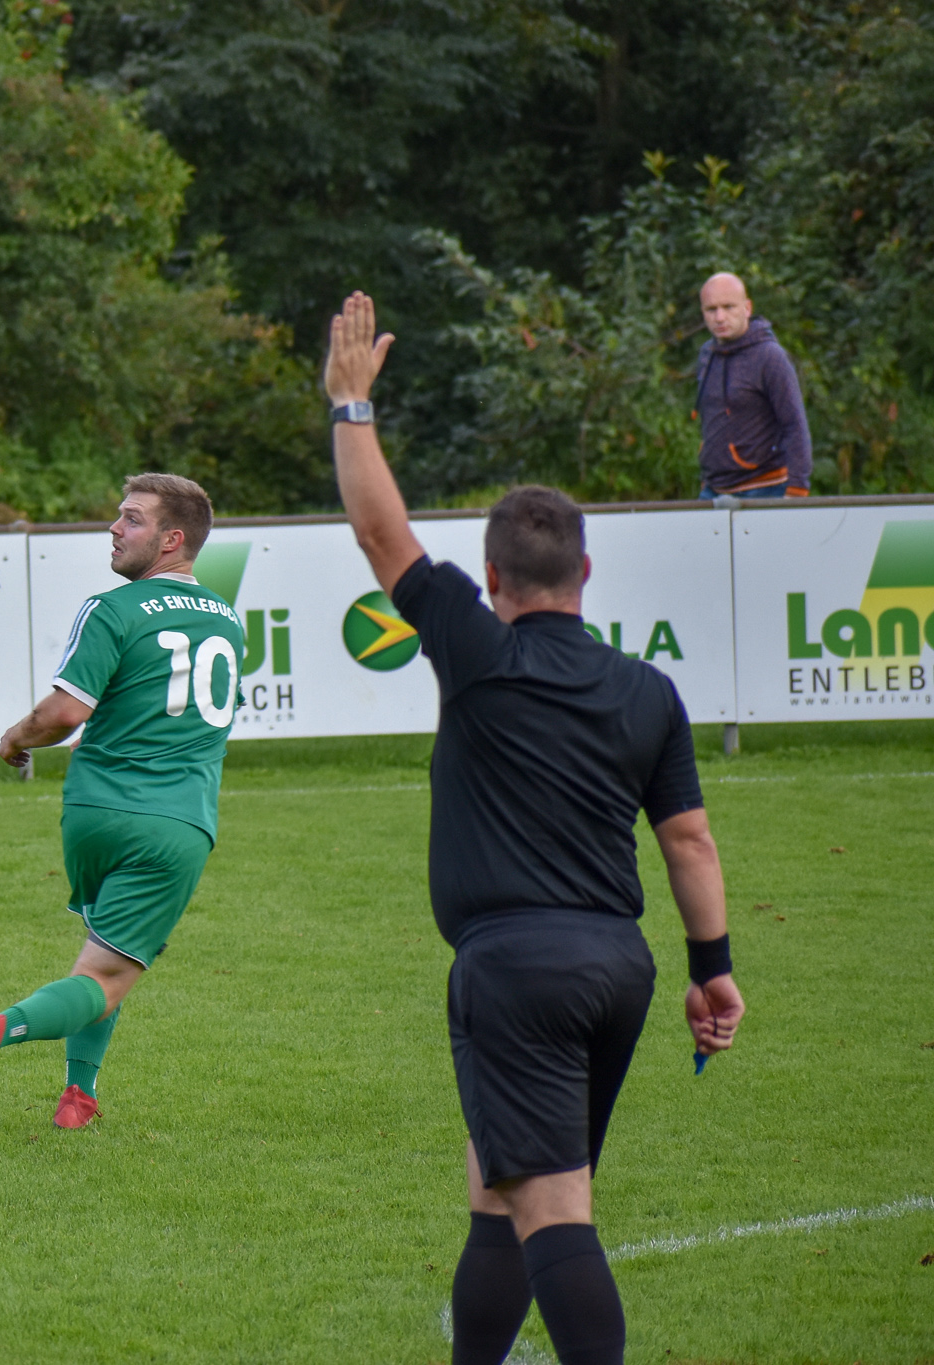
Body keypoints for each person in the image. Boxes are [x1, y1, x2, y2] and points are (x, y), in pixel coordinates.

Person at [324, 291, 747, 1365]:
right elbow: (687, 843)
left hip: (516, 969)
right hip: (618, 968)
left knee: (552, 1208)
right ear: (587, 576)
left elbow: (380, 531)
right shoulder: (645, 690)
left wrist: (350, 408)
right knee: (498, 1189)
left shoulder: (477, 648)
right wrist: (714, 970)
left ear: (495, 580)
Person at [0, 473, 243, 1130]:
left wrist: (14, 737)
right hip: (173, 821)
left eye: (131, 518)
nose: (114, 528)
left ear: (171, 538)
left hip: (93, 813)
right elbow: (77, 711)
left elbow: (67, 713)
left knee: (102, 953)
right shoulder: (229, 620)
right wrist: (32, 729)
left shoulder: (114, 609)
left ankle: (79, 1097)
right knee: (108, 977)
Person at [696, 272, 811, 499]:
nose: (720, 317)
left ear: (747, 308)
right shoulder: (706, 355)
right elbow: (711, 422)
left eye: (728, 307)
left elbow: (794, 424)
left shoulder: (770, 357)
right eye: (712, 309)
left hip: (767, 489)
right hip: (714, 492)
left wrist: (797, 490)